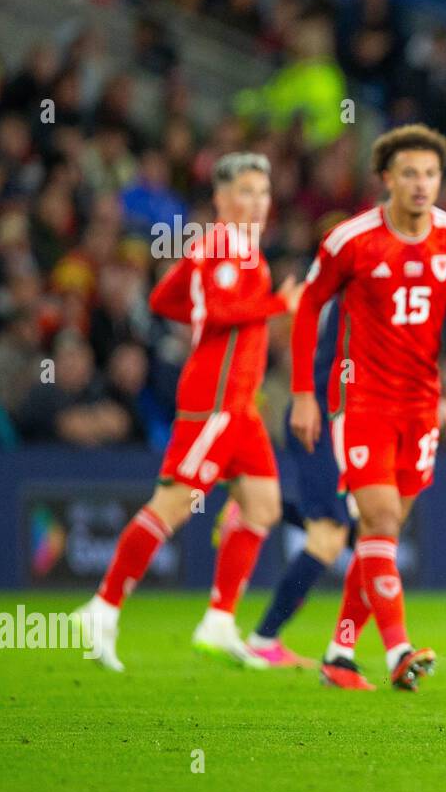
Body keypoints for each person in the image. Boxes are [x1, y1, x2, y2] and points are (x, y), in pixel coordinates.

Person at [76, 152, 302, 672]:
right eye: (246, 191)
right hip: (215, 398)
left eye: (264, 192)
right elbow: (219, 311)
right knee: (173, 504)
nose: (258, 202)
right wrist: (275, 306)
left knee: (263, 504)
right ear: (221, 200)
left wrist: (204, 311)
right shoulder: (226, 245)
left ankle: (219, 622)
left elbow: (163, 297)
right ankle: (102, 606)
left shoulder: (237, 249)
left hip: (241, 404)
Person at [290, 124, 446, 692]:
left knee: (384, 533)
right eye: (409, 174)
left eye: (430, 174)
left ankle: (339, 654)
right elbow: (308, 310)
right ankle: (399, 649)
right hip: (360, 399)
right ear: (386, 180)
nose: (421, 184)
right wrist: (304, 391)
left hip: (421, 405)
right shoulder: (349, 240)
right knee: (377, 521)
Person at [243, 297, 351, 668]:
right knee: (328, 536)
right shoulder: (344, 291)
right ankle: (264, 638)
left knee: (363, 531)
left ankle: (261, 502)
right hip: (321, 420)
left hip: (350, 421)